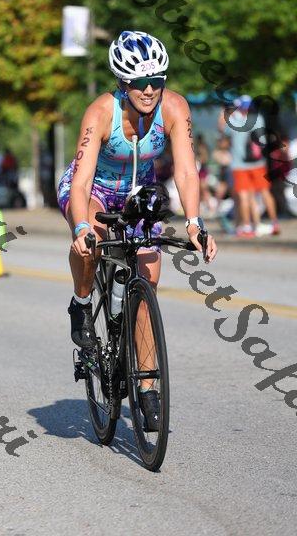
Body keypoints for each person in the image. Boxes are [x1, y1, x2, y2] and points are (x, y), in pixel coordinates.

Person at [57, 30, 218, 428]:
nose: (149, 90)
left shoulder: (175, 108)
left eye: (156, 81)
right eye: (139, 82)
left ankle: (147, 388)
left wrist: (195, 223)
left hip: (138, 192)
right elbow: (81, 182)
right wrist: (81, 227)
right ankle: (81, 303)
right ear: (122, 82)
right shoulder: (100, 113)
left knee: (147, 281)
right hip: (93, 189)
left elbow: (186, 171)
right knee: (92, 242)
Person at [224, 95, 280, 237]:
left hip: (239, 164)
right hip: (258, 163)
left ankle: (247, 227)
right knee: (265, 192)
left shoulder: (233, 120)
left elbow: (223, 134)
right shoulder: (259, 118)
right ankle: (274, 223)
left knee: (244, 196)